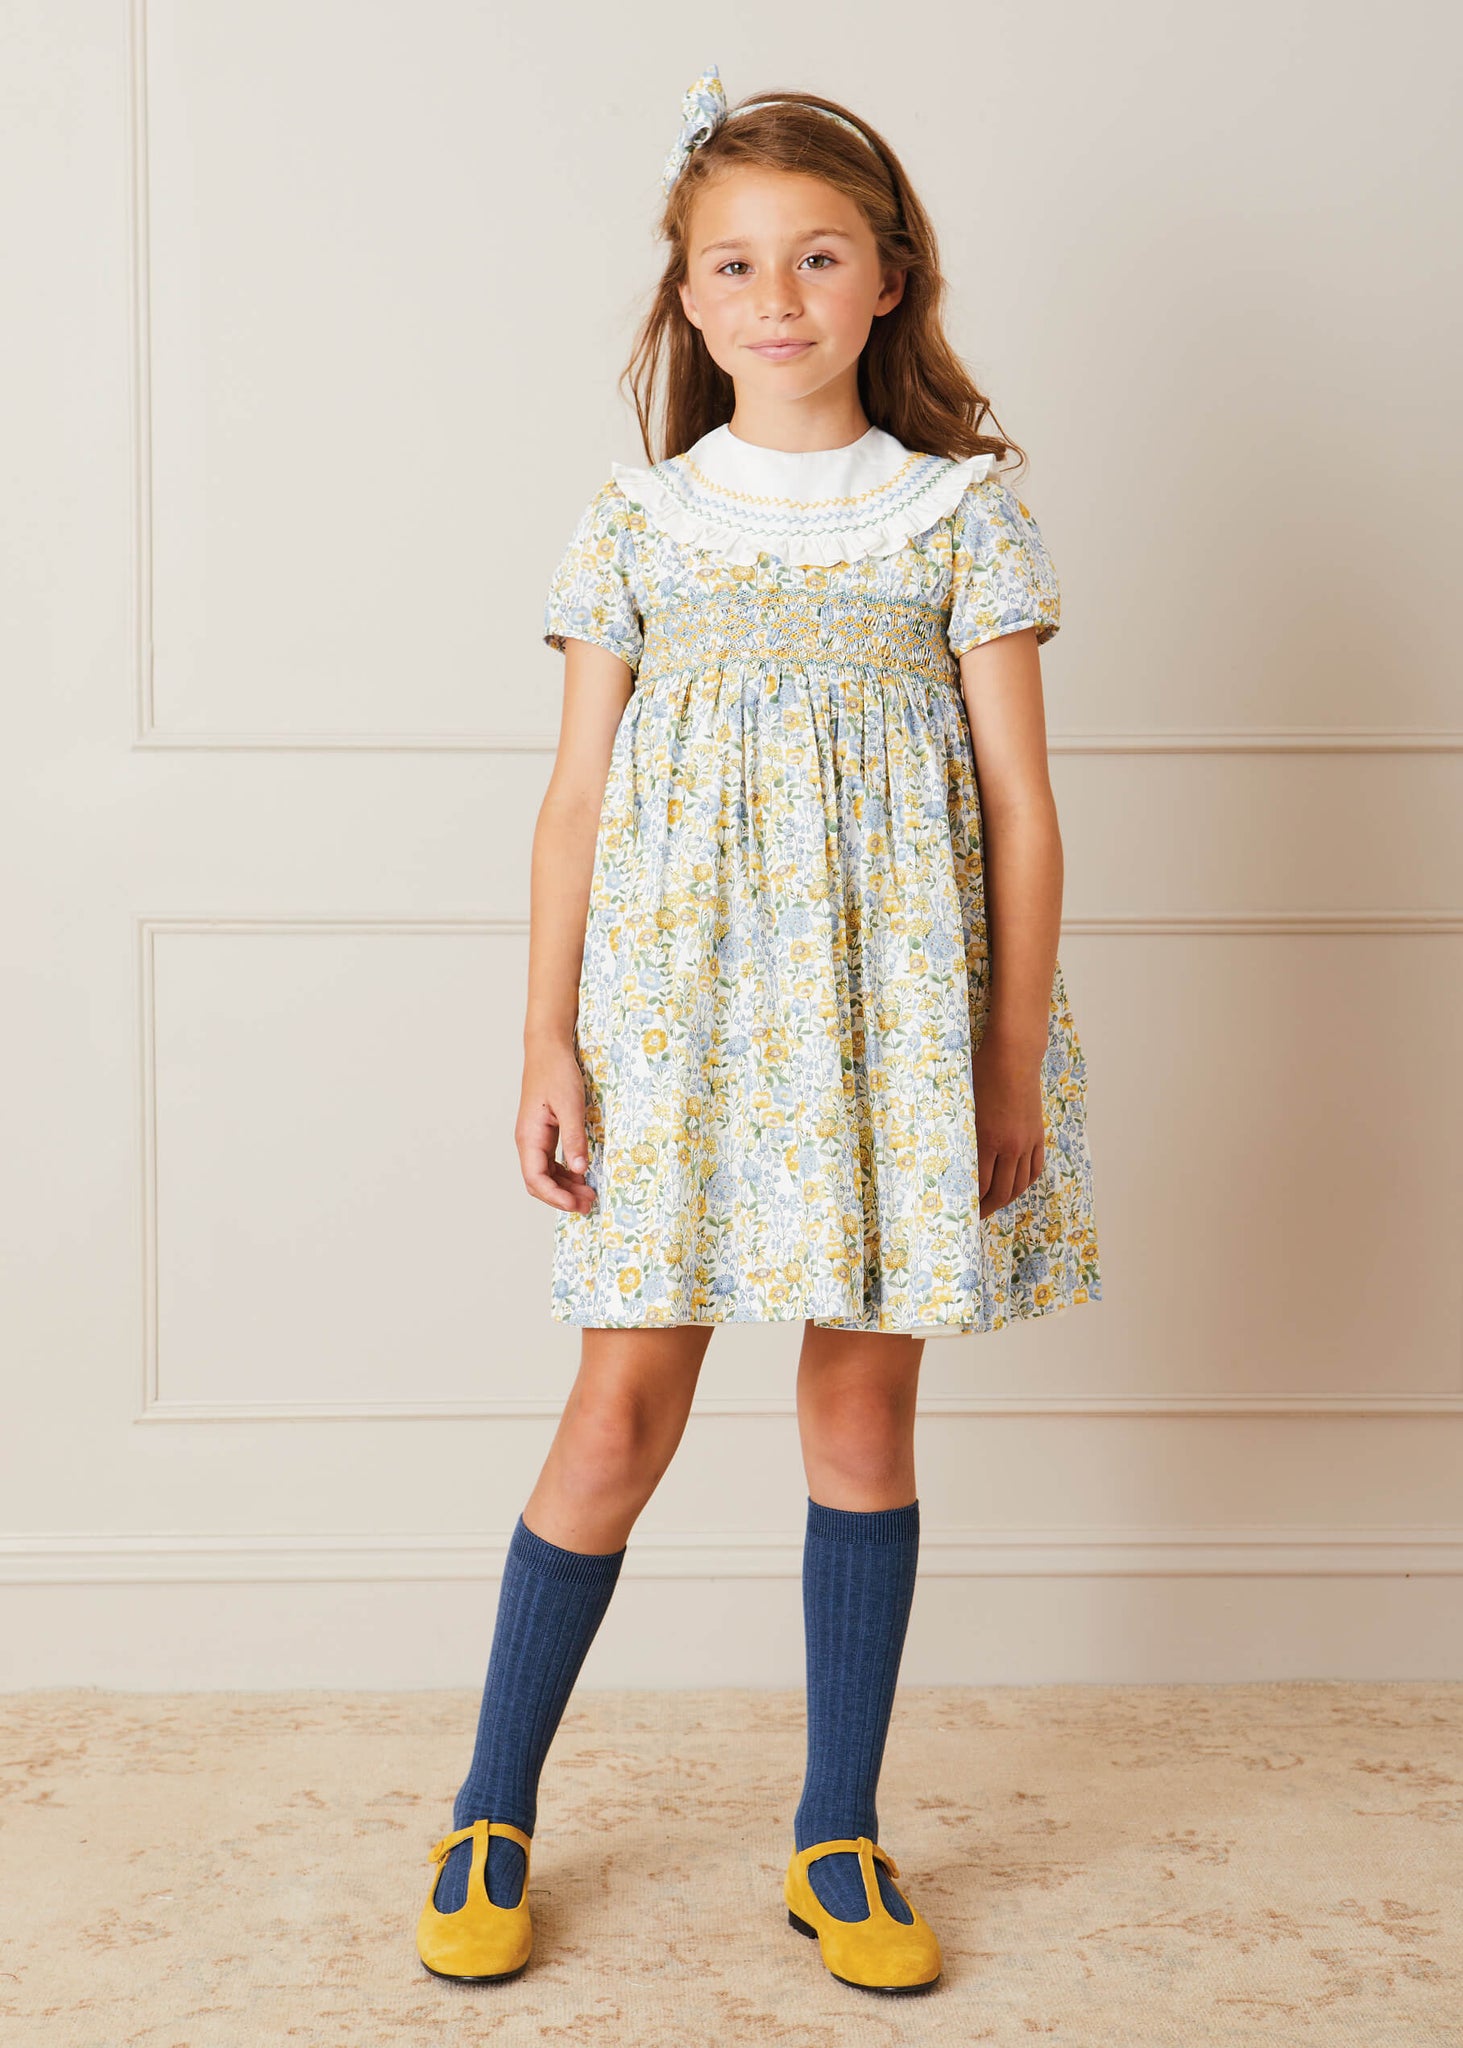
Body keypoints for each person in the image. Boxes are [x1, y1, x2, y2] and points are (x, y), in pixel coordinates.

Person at [416, 61, 1102, 1996]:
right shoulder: (638, 520)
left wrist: (1007, 1056)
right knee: (617, 1412)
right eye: (734, 263)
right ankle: (489, 1807)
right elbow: (574, 800)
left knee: (860, 1412)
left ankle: (839, 1834)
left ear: (889, 279)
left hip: (896, 1040)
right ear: (687, 294)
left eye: (818, 255)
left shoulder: (961, 516)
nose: (776, 294)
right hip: (678, 1031)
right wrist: (547, 1043)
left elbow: (1025, 808)